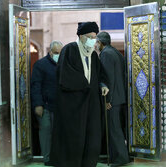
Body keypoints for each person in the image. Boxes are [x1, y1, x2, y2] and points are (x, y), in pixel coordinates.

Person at [50, 22, 109, 167]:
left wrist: (103, 85)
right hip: (73, 106)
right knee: (73, 140)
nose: (92, 40)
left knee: (91, 139)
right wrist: (86, 85)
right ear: (81, 36)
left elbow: (100, 75)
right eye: (89, 37)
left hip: (91, 105)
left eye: (94, 37)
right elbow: (65, 76)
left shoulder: (94, 56)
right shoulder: (70, 50)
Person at [96, 31, 129, 167]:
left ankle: (121, 158)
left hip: (113, 100)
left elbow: (108, 79)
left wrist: (107, 100)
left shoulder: (106, 54)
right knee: (115, 128)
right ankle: (114, 157)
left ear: (101, 42)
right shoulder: (115, 52)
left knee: (114, 130)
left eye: (96, 42)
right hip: (119, 97)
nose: (95, 45)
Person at [31, 40, 63, 166]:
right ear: (50, 52)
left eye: (60, 53)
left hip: (60, 106)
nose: (58, 55)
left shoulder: (63, 64)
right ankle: (48, 158)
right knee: (46, 132)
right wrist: (38, 104)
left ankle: (58, 157)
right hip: (45, 106)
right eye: (56, 52)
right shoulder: (40, 65)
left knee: (58, 133)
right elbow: (36, 86)